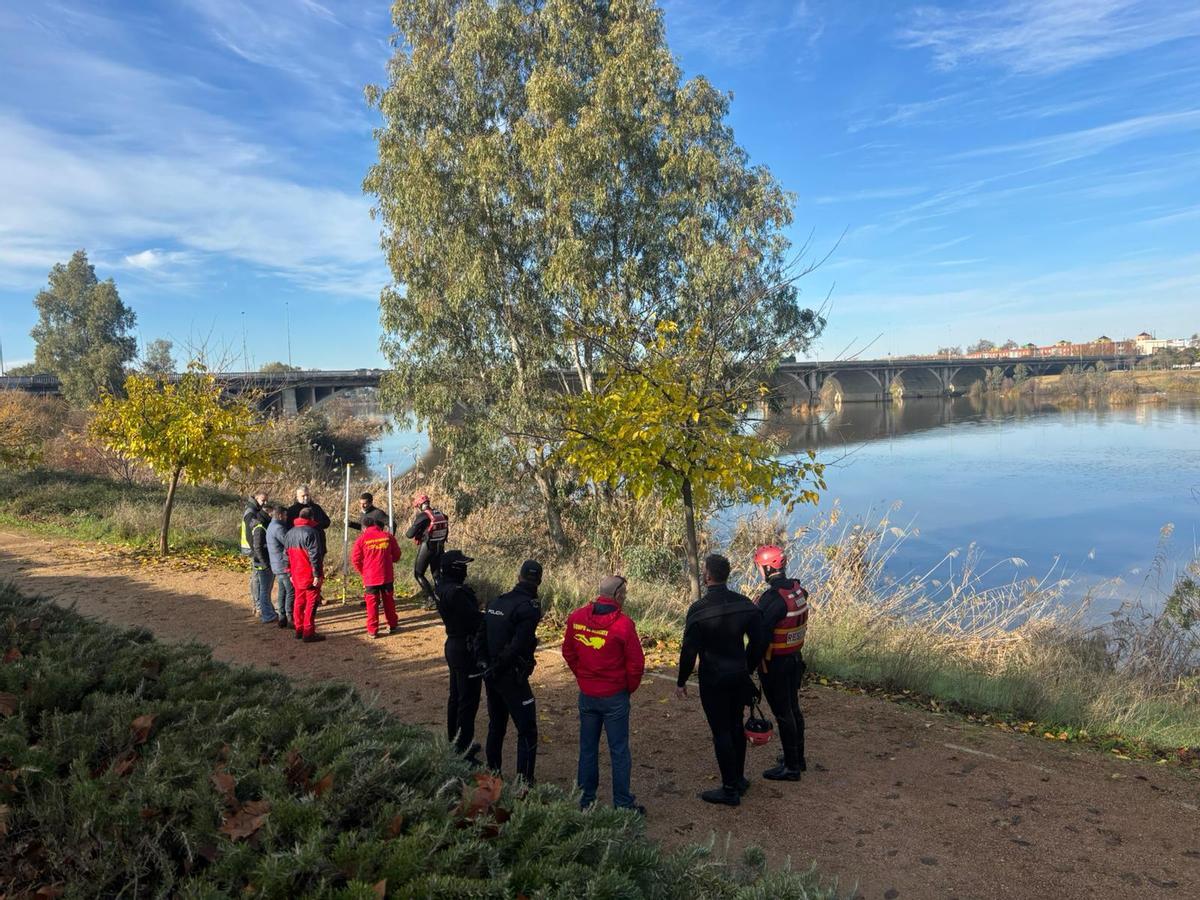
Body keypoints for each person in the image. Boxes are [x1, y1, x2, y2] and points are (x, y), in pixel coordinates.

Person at [675, 553, 768, 807]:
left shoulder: (699, 610)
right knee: (736, 725)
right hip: (739, 676)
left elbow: (689, 651)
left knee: (721, 731)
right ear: (726, 575)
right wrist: (747, 666)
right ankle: (738, 779)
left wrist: (681, 681)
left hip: (713, 678)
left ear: (707, 576)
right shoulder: (744, 604)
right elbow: (760, 641)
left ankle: (729, 790)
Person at [561, 574, 645, 813]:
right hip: (614, 696)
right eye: (624, 593)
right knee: (619, 750)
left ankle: (585, 800)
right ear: (617, 595)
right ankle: (622, 804)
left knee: (587, 748)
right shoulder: (623, 625)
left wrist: (583, 676)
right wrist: (627, 688)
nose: (625, 597)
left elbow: (568, 651)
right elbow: (636, 664)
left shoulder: (576, 618)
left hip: (588, 694)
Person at [476, 559, 543, 782]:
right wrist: (498, 666)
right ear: (539, 581)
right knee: (527, 729)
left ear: (519, 577)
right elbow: (518, 645)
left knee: (496, 725)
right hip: (511, 676)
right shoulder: (530, 607)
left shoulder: (497, 601)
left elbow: (481, 635)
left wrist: (484, 664)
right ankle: (525, 782)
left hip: (492, 675)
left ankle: (494, 774)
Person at [752, 545, 809, 781]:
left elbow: (760, 636)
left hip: (776, 665)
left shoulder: (772, 599)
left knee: (783, 713)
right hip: (794, 660)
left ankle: (791, 767)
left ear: (766, 568)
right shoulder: (797, 589)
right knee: (793, 709)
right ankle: (797, 759)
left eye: (759, 567)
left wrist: (748, 666)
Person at [434, 549, 483, 761]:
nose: (465, 570)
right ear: (455, 569)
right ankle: (464, 750)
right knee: (468, 701)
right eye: (462, 566)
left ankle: (454, 742)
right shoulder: (458, 593)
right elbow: (475, 620)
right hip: (465, 648)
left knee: (456, 697)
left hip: (453, 644)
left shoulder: (441, 588)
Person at [350, 511, 402, 639]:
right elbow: (397, 555)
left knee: (372, 604)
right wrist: (390, 560)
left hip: (370, 578)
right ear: (375, 525)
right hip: (386, 575)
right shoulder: (387, 536)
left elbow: (355, 559)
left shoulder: (361, 539)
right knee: (389, 601)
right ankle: (392, 624)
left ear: (364, 528)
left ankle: (373, 630)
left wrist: (363, 572)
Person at [285, 506, 326, 643]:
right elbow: (315, 556)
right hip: (308, 573)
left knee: (299, 601)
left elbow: (286, 555)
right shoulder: (312, 532)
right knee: (311, 603)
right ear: (311, 518)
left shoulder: (289, 533)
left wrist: (289, 572)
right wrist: (317, 574)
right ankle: (308, 632)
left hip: (296, 573)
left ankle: (299, 628)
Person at [406, 494, 449, 607]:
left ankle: (431, 599)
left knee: (418, 574)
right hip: (440, 547)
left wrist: (417, 529)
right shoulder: (440, 513)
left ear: (420, 505)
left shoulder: (423, 516)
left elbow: (409, 534)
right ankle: (442, 599)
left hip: (428, 547)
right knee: (436, 575)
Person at [240, 490, 269, 615]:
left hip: (254, 548)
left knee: (256, 576)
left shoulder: (255, 510)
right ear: (256, 499)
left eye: (266, 500)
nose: (265, 503)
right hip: (252, 549)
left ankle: (258, 605)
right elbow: (249, 535)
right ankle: (258, 606)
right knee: (256, 577)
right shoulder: (251, 513)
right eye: (263, 500)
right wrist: (256, 551)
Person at [265, 503, 292, 630]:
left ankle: (282, 616)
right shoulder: (279, 528)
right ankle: (290, 617)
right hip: (282, 564)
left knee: (282, 590)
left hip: (276, 563)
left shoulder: (271, 526)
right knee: (290, 590)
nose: (286, 518)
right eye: (285, 515)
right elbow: (288, 543)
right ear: (280, 515)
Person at [249, 501, 276, 624]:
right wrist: (265, 564)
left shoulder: (262, 523)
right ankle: (267, 615)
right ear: (268, 511)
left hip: (263, 562)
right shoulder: (260, 527)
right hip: (263, 564)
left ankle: (268, 612)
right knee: (265, 590)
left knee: (266, 589)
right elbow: (258, 548)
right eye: (272, 512)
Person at [285, 485, 332, 555]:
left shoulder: (316, 508)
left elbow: (327, 522)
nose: (306, 498)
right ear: (297, 497)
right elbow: (289, 527)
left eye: (307, 495)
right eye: (303, 496)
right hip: (301, 546)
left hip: (318, 543)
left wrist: (316, 525)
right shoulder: (292, 510)